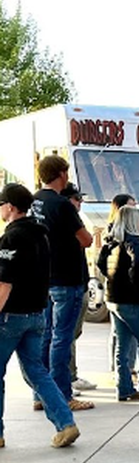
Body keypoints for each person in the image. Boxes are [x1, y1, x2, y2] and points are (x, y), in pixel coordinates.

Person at [0, 183, 80, 449]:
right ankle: (66, 423)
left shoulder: (11, 238)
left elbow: (4, 284)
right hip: (37, 313)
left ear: (10, 206)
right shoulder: (40, 234)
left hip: (11, 316)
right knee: (37, 371)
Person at [30, 156, 94, 412]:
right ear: (62, 174)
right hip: (67, 278)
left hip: (43, 277)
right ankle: (63, 395)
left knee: (45, 337)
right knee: (62, 339)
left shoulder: (35, 201)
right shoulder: (61, 204)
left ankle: (40, 394)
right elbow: (86, 239)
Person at [97, 206, 139, 402]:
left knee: (122, 344)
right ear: (133, 222)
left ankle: (124, 388)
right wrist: (138, 282)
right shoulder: (135, 241)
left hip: (113, 298)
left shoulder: (111, 241)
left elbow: (100, 263)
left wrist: (113, 278)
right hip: (132, 299)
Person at [61, 183, 97, 394]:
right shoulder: (66, 219)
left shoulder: (73, 219)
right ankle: (69, 377)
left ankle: (70, 374)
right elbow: (87, 240)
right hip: (70, 285)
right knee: (66, 335)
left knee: (72, 334)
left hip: (80, 282)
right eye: (76, 198)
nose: (80, 202)